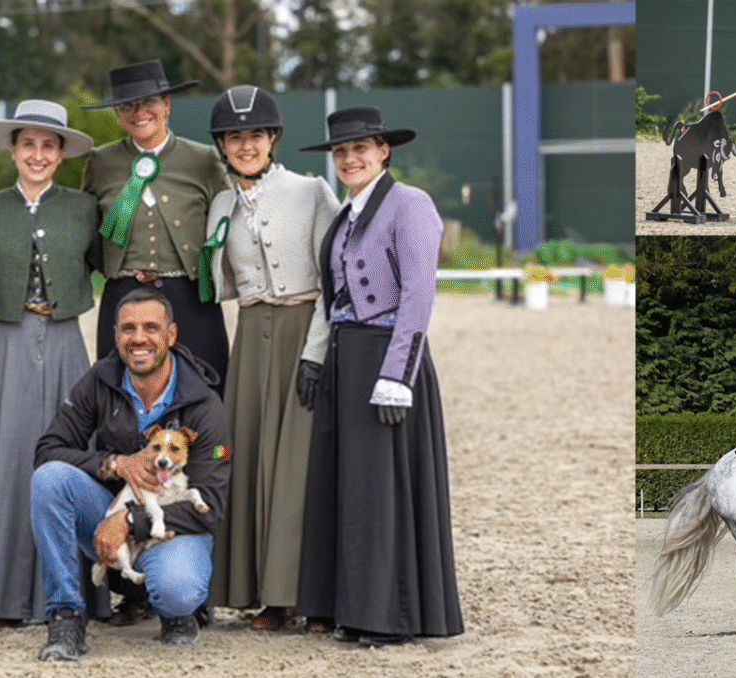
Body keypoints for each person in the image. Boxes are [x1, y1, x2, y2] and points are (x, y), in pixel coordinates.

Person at [296, 107, 463, 646]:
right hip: (345, 356)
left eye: (360, 148)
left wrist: (397, 376)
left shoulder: (411, 204)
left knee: (379, 489)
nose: (350, 159)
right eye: (341, 151)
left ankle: (387, 616)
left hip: (386, 359)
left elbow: (418, 295)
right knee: (346, 487)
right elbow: (332, 298)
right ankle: (347, 609)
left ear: (384, 151)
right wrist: (315, 357)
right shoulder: (346, 214)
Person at [200, 85, 340, 631]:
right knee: (254, 462)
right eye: (234, 137)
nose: (245, 145)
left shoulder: (312, 192)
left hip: (302, 329)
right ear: (221, 145)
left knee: (297, 467)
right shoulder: (221, 205)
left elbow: (334, 283)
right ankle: (267, 595)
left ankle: (309, 595)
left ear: (273, 138)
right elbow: (222, 286)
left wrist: (315, 352)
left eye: (255, 135)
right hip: (251, 335)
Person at [30, 287, 230, 660]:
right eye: (128, 329)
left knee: (179, 590)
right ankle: (66, 613)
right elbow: (49, 449)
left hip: (170, 528)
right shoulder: (100, 379)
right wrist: (115, 464)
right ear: (116, 335)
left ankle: (175, 612)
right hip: (106, 510)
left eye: (151, 328)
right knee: (49, 478)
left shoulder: (204, 403)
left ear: (171, 335)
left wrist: (130, 520)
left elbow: (212, 506)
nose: (139, 339)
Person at [0, 100, 99, 626]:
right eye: (28, 145)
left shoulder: (84, 208)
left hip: (66, 342)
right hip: (7, 343)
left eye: (48, 146)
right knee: (6, 459)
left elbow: (108, 261)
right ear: (13, 151)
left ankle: (74, 593)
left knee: (67, 457)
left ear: (61, 154)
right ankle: (0, 598)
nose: (37, 155)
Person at [81, 59, 229, 397]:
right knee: (121, 396)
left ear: (167, 104)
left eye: (148, 102)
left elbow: (227, 223)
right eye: (127, 106)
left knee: (202, 392)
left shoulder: (203, 160)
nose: (139, 112)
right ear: (117, 114)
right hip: (123, 296)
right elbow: (87, 232)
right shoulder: (101, 163)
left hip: (190, 298)